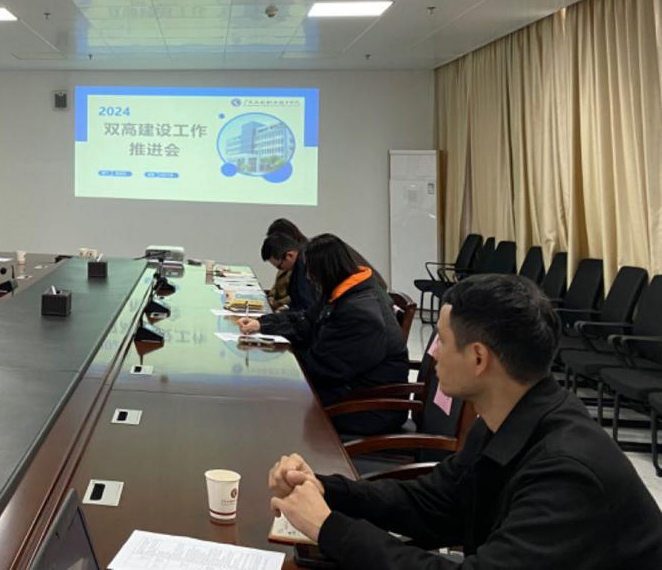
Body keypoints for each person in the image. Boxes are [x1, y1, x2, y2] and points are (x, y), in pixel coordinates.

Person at [267, 273, 662, 567]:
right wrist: (328, 489)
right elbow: (433, 503)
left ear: (478, 358)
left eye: (441, 339)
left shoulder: (567, 473)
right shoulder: (508, 419)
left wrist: (329, 528)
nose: (433, 353)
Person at [243, 234, 407, 435]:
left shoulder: (359, 312)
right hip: (349, 390)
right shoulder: (342, 292)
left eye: (311, 271)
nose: (308, 277)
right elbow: (306, 321)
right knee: (271, 394)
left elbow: (324, 368)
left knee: (275, 404)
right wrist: (263, 324)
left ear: (326, 270)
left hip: (369, 407)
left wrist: (276, 367)